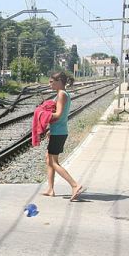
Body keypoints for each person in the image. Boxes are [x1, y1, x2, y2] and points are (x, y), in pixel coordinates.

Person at [41, 71, 83, 201]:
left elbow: (58, 114)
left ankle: (75, 185)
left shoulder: (61, 94)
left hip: (59, 132)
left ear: (59, 81)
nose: (49, 84)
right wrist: (50, 129)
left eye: (51, 82)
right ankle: (50, 189)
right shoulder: (62, 94)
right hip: (57, 131)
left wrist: (42, 114)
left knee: (53, 162)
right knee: (49, 158)